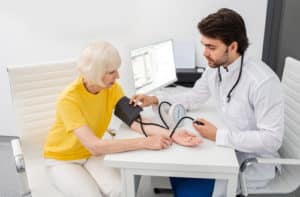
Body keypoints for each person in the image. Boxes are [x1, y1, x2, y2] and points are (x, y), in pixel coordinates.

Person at [130, 8, 284, 197]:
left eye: (211, 47)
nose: (205, 53)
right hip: (224, 152)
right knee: (175, 169)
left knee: (185, 187)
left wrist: (218, 135)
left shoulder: (262, 82)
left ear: (233, 47)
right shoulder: (216, 68)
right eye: (204, 45)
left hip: (250, 164)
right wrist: (155, 99)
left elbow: (271, 140)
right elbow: (194, 97)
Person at [43, 41, 201, 197]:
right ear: (96, 73)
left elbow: (136, 122)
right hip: (62, 160)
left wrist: (172, 134)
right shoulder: (69, 99)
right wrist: (143, 143)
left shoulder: (111, 88)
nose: (117, 76)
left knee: (121, 190)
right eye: (112, 72)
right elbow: (95, 146)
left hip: (90, 155)